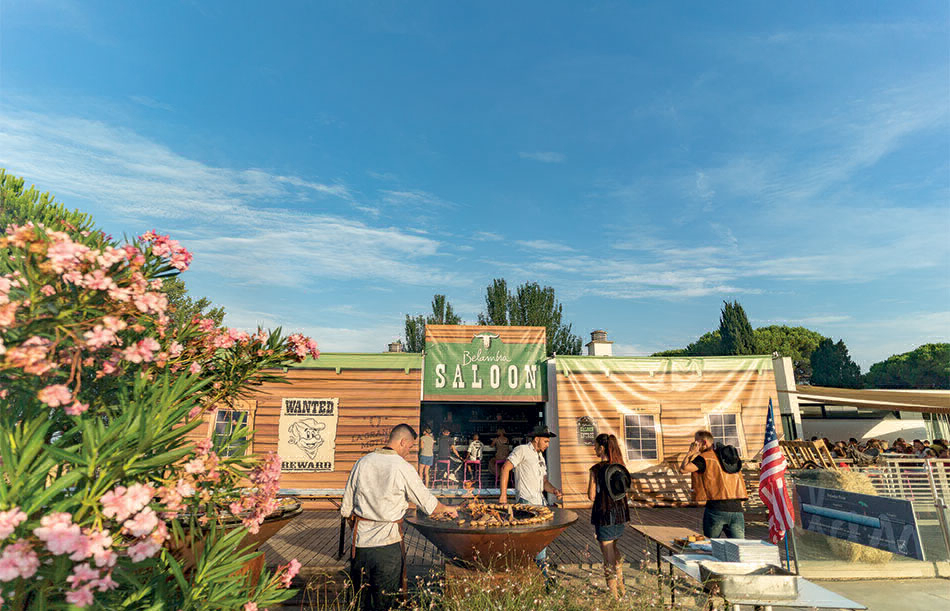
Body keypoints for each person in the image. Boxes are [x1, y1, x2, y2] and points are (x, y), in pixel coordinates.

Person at [341, 424, 458, 611]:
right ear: (403, 442)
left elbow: (346, 509)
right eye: (410, 447)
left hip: (360, 545)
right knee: (385, 601)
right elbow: (429, 505)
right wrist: (449, 508)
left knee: (359, 601)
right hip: (388, 546)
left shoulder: (362, 462)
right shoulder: (402, 467)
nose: (409, 452)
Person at [499, 425, 563, 573]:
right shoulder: (521, 450)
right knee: (535, 540)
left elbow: (544, 482)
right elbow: (505, 468)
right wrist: (503, 495)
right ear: (536, 439)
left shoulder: (540, 457)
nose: (548, 444)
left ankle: (539, 574)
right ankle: (542, 575)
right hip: (526, 502)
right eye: (546, 441)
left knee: (540, 541)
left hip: (540, 503)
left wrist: (554, 490)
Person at [679, 429, 748, 539]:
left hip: (716, 508)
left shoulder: (705, 458)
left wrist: (690, 452)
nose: (694, 444)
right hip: (737, 508)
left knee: (710, 546)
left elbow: (683, 469)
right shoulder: (729, 457)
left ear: (704, 442)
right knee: (739, 548)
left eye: (696, 442)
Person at [587, 433, 630, 599]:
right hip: (620, 514)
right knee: (615, 550)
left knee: (608, 555)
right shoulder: (620, 465)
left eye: (596, 446)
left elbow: (591, 496)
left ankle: (614, 596)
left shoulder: (596, 469)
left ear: (602, 448)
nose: (594, 448)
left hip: (604, 514)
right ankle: (622, 588)